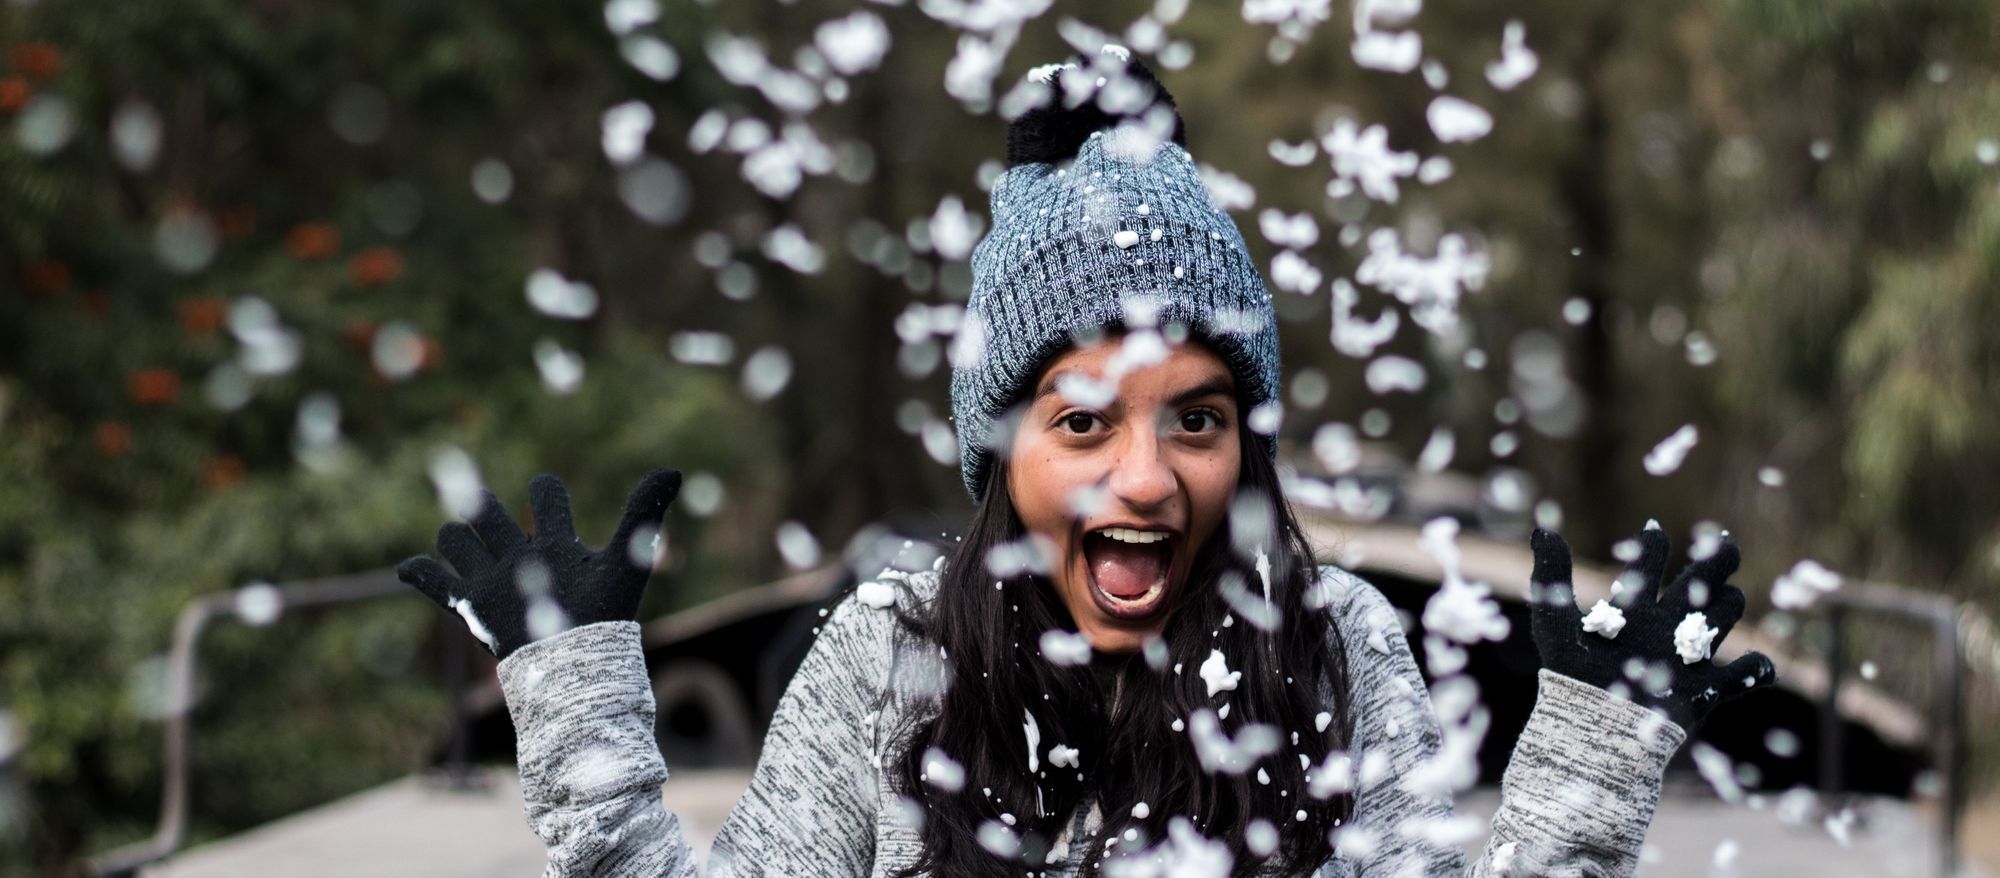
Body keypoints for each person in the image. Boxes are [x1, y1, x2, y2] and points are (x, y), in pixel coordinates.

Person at [394, 46, 1776, 878]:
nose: (1148, 475)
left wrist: (1588, 770)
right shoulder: (893, 657)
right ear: (999, 455)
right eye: (1082, 421)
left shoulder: (1341, 643)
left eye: (1197, 417)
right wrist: (579, 714)